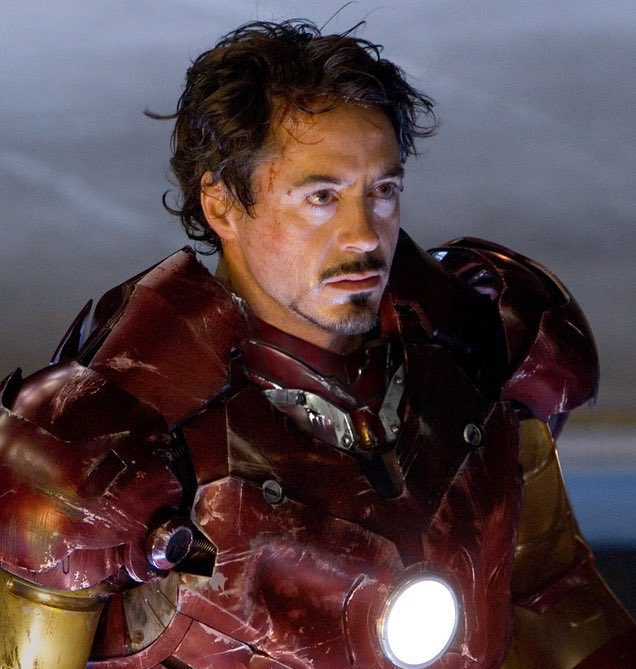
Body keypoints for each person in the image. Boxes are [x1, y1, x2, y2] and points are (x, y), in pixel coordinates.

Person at [0, 19, 633, 669]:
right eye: (322, 196)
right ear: (222, 203)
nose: (364, 234)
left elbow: (559, 599)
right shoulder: (104, 437)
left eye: (382, 191)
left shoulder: (481, 348)